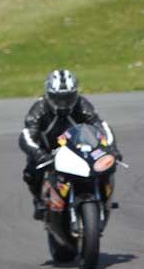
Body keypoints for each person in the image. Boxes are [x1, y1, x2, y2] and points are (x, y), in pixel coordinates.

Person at [19, 69, 121, 220]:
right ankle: (40, 201)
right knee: (31, 172)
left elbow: (101, 126)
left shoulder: (82, 105)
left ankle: (104, 198)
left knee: (107, 164)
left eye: (68, 98)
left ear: (75, 94)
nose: (63, 103)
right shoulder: (39, 109)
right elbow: (27, 136)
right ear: (49, 94)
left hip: (79, 150)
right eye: (58, 98)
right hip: (48, 153)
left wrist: (112, 149)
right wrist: (40, 155)